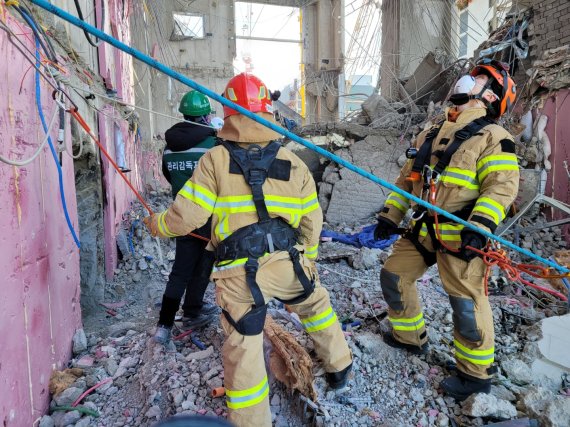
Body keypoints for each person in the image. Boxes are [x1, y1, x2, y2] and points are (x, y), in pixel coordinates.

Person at [144, 72, 352, 426]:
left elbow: (186, 217)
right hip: (288, 261)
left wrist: (155, 224)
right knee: (316, 305)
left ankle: (252, 420)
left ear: (226, 113)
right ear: (268, 112)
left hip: (239, 273)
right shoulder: (294, 161)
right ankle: (339, 370)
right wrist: (309, 259)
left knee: (244, 345)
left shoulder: (215, 160)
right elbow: (311, 221)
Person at [373, 59, 519, 401]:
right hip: (424, 228)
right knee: (394, 276)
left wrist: (480, 228)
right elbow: (407, 181)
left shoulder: (495, 138)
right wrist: (390, 215)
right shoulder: (432, 131)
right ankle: (409, 338)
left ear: (491, 95)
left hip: (461, 236)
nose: (468, 80)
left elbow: (501, 188)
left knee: (466, 305)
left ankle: (476, 375)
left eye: (479, 78)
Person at [153, 90, 218, 347]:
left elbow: (169, 177)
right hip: (208, 219)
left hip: (181, 217)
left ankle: (164, 325)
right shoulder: (213, 146)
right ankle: (192, 312)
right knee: (203, 268)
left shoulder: (169, 148)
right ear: (205, 116)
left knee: (179, 272)